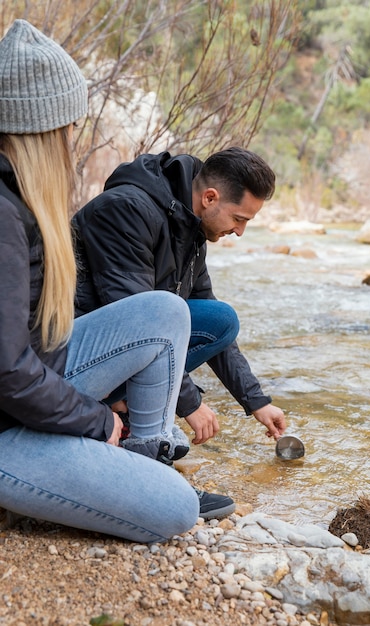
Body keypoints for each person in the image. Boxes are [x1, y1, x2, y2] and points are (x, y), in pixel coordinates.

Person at [0, 19, 234, 544]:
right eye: (68, 125)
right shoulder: (3, 214)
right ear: (40, 129)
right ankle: (137, 468)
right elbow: (7, 373)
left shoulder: (20, 198)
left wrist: (250, 398)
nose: (72, 137)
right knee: (173, 511)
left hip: (31, 386)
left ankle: (147, 453)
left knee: (165, 311)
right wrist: (95, 420)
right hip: (8, 421)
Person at [73, 146, 287, 457]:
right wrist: (191, 403)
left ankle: (127, 407)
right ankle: (142, 445)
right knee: (191, 318)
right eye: (239, 219)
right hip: (71, 357)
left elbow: (210, 318)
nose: (239, 232)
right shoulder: (127, 211)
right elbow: (140, 323)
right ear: (210, 198)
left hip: (118, 345)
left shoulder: (189, 226)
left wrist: (256, 401)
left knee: (221, 320)